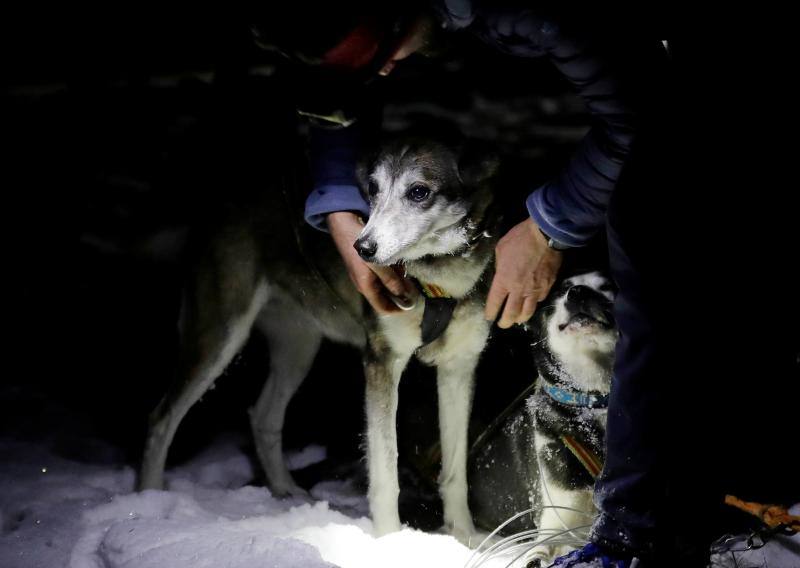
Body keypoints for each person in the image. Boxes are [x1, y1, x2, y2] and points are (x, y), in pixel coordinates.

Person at [252, 4, 799, 567]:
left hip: (687, 113)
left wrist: (548, 227)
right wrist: (340, 200)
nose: (384, 72)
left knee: (660, 273)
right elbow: (338, 98)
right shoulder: (381, 41)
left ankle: (644, 533)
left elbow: (638, 112)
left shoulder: (531, 12)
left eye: (376, 56)